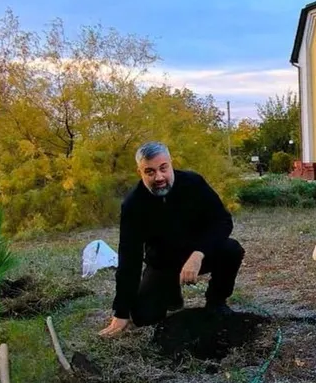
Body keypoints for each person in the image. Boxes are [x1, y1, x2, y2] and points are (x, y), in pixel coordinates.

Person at [99, 142, 244, 337]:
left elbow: (223, 221)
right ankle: (171, 293)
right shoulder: (133, 205)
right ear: (140, 171)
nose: (158, 177)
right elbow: (129, 259)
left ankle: (216, 302)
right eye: (149, 171)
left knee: (231, 249)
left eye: (163, 168)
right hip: (163, 264)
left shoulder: (194, 183)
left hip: (198, 255)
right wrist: (121, 312)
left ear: (170, 163)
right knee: (144, 317)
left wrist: (198, 254)